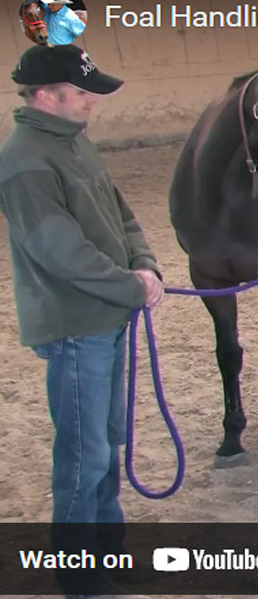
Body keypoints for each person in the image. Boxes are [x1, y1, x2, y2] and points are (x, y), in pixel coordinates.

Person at [0, 44, 164, 599]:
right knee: (84, 455)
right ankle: (80, 580)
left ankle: (106, 559)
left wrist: (143, 263)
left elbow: (120, 212)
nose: (92, 101)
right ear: (47, 95)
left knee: (107, 443)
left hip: (108, 316)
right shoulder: (25, 161)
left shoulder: (72, 142)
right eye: (82, 92)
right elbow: (59, 251)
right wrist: (131, 285)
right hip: (76, 326)